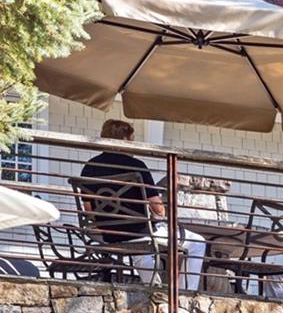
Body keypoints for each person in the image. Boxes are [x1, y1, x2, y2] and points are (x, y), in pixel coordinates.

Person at [75, 120, 204, 289]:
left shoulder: (89, 168)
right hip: (139, 233)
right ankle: (184, 296)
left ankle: (155, 291)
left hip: (109, 235)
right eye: (132, 139)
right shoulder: (137, 166)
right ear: (125, 139)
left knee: (141, 249)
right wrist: (159, 213)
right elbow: (158, 209)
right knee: (197, 243)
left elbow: (89, 211)